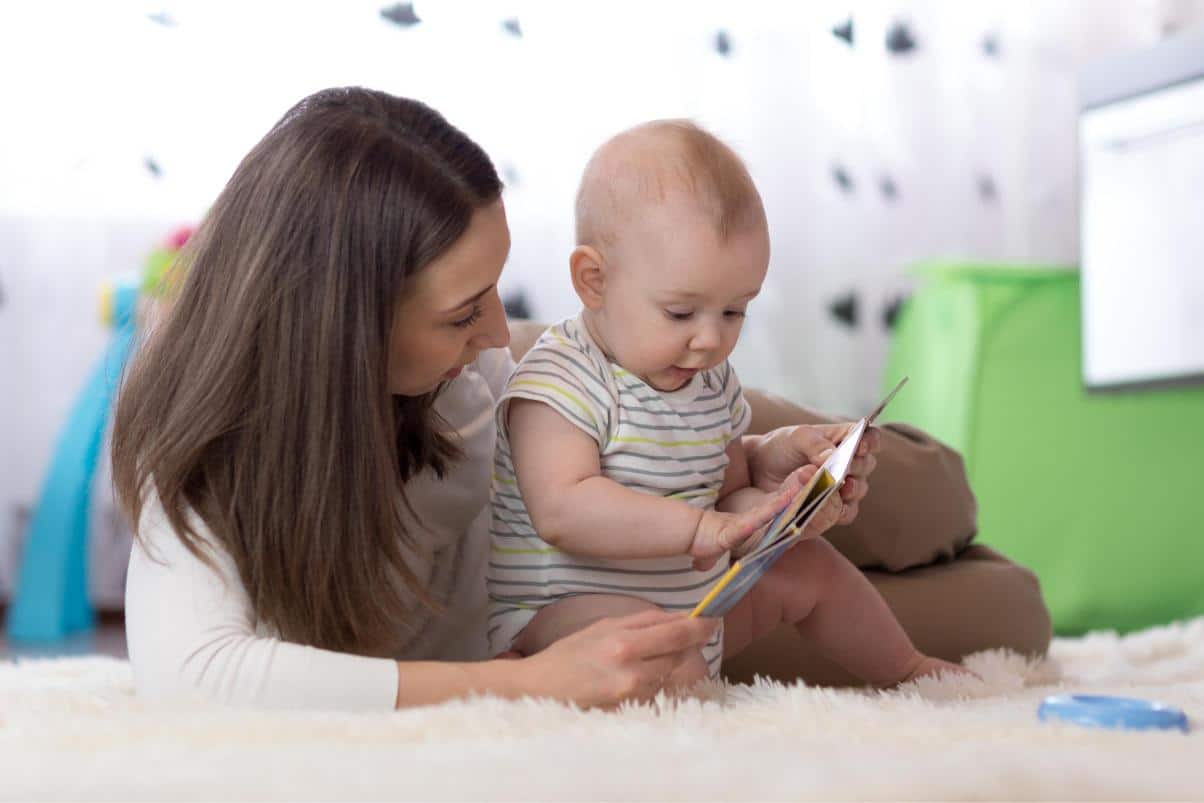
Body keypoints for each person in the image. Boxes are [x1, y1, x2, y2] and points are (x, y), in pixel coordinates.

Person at [113, 87, 1049, 711]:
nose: (493, 335)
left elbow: (508, 366)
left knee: (917, 493)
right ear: (341, 324)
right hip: (582, 574)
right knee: (1006, 616)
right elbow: (193, 674)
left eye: (498, 294)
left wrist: (775, 471)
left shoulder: (488, 367)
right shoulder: (208, 453)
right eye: (463, 310)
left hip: (629, 411)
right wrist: (522, 684)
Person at [485, 120, 965, 691]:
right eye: (681, 313)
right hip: (561, 617)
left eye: (735, 311)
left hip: (691, 611)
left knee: (810, 571)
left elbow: (731, 493)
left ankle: (906, 670)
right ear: (594, 281)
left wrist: (789, 510)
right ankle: (531, 681)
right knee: (661, 659)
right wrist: (697, 530)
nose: (711, 339)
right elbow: (563, 509)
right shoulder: (561, 377)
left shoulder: (708, 381)